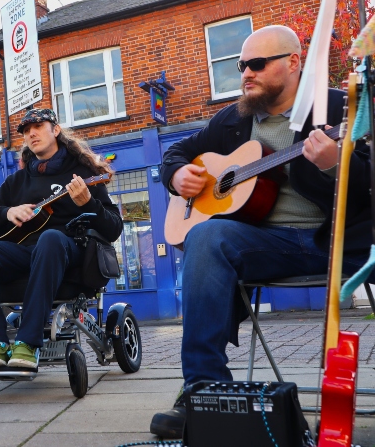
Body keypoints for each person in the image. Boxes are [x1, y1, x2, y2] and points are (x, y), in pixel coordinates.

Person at [150, 25, 372, 439]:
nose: (245, 74)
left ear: (293, 62)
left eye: (256, 64)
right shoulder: (234, 120)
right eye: (241, 66)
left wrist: (337, 164)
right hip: (266, 245)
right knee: (204, 236)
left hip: (333, 241)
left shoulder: (343, 109)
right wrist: (176, 173)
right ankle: (203, 390)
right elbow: (177, 151)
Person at [0, 108, 123, 368]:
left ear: (55, 130)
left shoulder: (83, 173)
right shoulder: (17, 181)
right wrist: (8, 211)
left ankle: (27, 343)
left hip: (68, 254)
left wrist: (88, 203)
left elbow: (114, 227)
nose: (31, 133)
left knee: (51, 237)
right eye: (25, 130)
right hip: (25, 255)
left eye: (37, 126)